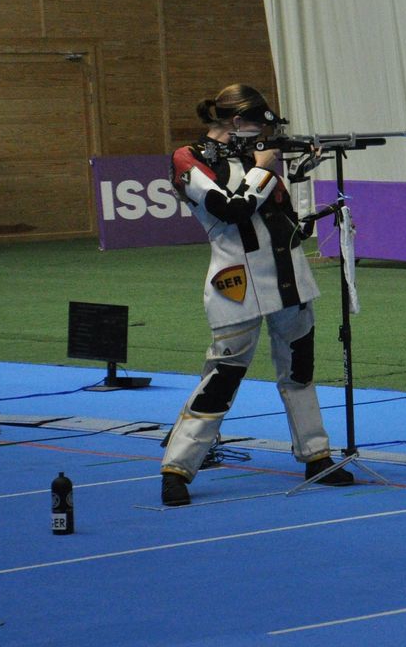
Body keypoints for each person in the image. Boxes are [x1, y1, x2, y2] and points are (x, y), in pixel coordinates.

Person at [160, 84, 353, 506]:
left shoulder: (255, 155)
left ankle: (316, 456)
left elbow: (281, 214)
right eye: (256, 122)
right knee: (222, 377)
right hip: (236, 284)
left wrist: (298, 171)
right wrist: (265, 167)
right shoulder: (187, 158)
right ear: (235, 122)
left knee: (299, 373)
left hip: (291, 279)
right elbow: (230, 208)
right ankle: (177, 467)